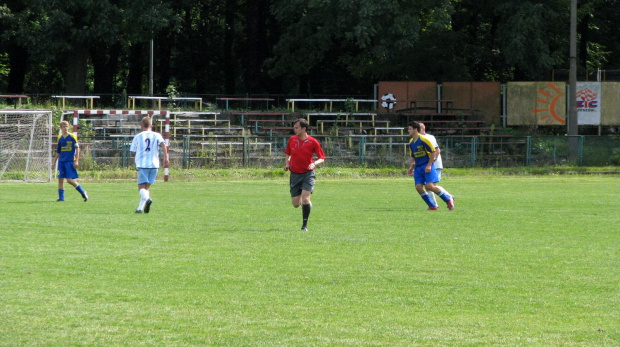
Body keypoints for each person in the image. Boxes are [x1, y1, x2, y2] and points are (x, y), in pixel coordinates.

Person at [284, 118, 326, 231]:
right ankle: (306, 205)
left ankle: (304, 226)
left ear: (304, 128)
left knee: (305, 199)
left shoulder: (313, 142)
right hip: (295, 175)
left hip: (308, 174)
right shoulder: (292, 140)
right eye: (294, 127)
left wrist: (314, 164)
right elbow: (288, 154)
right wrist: (287, 164)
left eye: (296, 128)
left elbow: (322, 158)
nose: (294, 129)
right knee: (296, 204)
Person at [406, 121, 454, 210]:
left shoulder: (424, 140)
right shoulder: (411, 142)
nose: (408, 131)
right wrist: (411, 167)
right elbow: (413, 156)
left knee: (430, 186)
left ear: (416, 130)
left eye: (410, 129)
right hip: (418, 167)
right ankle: (432, 205)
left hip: (426, 165)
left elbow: (433, 152)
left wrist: (429, 165)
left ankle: (448, 200)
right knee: (418, 187)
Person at [130, 116, 169, 214]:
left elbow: (133, 152)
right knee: (146, 188)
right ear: (151, 125)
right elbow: (163, 144)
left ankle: (148, 200)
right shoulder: (157, 135)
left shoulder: (138, 136)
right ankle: (139, 209)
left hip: (143, 165)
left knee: (141, 188)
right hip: (154, 164)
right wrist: (166, 158)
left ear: (141, 125)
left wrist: (137, 152)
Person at [51, 120, 88, 202]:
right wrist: (53, 162)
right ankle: (61, 198)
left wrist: (77, 160)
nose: (65, 128)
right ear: (60, 128)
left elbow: (77, 148)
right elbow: (58, 151)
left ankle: (83, 191)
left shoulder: (72, 136)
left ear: (69, 127)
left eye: (67, 126)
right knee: (60, 179)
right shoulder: (59, 137)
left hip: (70, 161)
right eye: (63, 126)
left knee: (69, 180)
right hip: (61, 161)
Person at [419, 122, 445, 206]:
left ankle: (447, 197)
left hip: (434, 164)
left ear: (423, 129)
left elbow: (437, 150)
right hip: (427, 165)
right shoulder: (418, 139)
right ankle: (435, 204)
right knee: (429, 186)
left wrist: (431, 162)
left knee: (430, 185)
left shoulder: (429, 138)